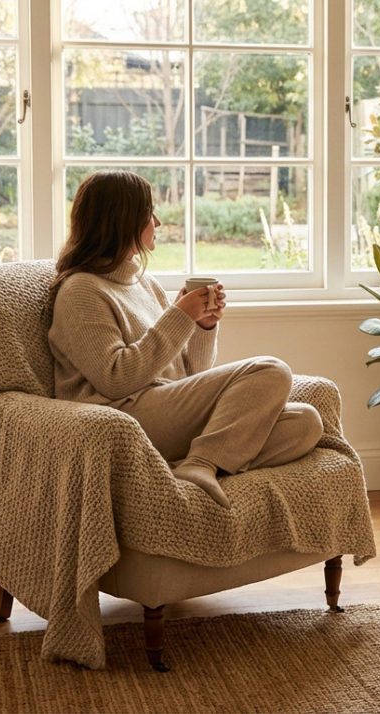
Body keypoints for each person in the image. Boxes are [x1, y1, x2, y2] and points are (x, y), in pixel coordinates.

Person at [47, 170, 322, 508]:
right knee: (271, 370)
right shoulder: (81, 291)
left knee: (306, 423)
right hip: (124, 417)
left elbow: (190, 374)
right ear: (123, 220)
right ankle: (202, 464)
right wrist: (180, 317)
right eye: (149, 213)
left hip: (166, 410)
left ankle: (186, 463)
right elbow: (116, 379)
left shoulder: (144, 285)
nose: (158, 222)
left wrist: (202, 327)